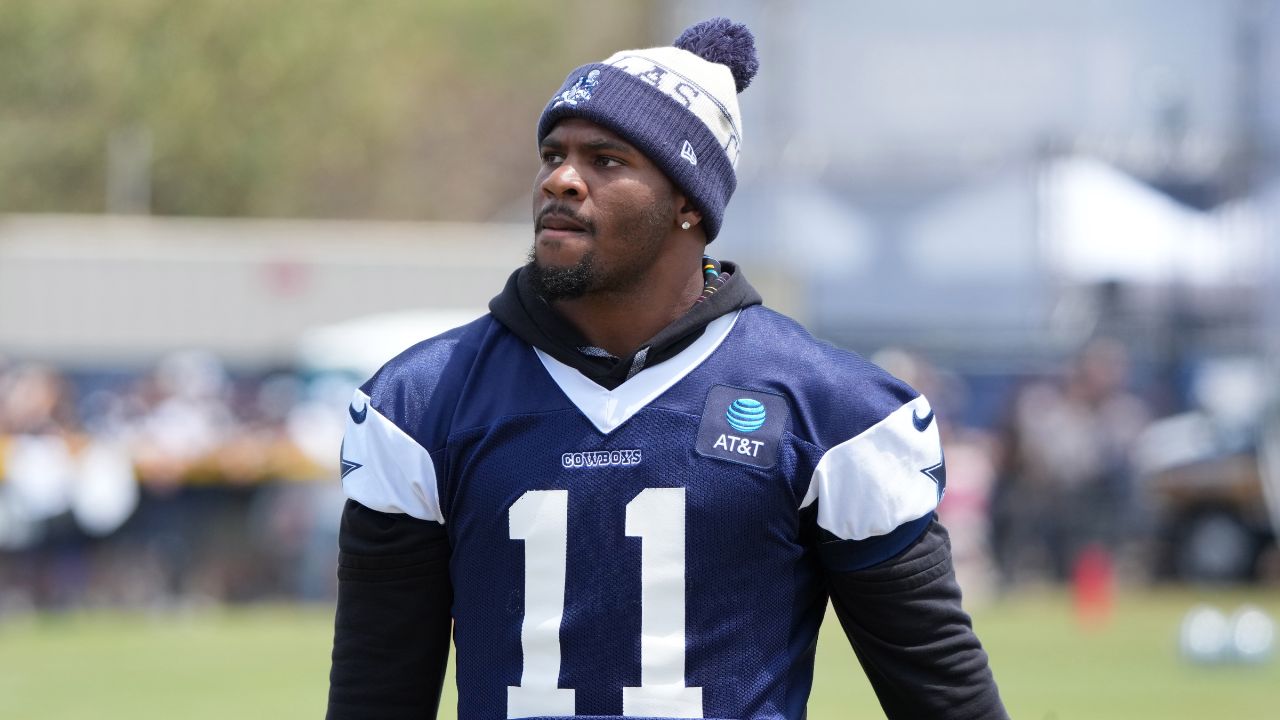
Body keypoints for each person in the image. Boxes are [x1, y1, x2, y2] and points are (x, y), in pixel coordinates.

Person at [328, 18, 1006, 720]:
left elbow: (944, 696)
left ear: (688, 201)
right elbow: (375, 694)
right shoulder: (425, 401)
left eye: (607, 160)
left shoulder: (827, 409)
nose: (561, 179)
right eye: (553, 153)